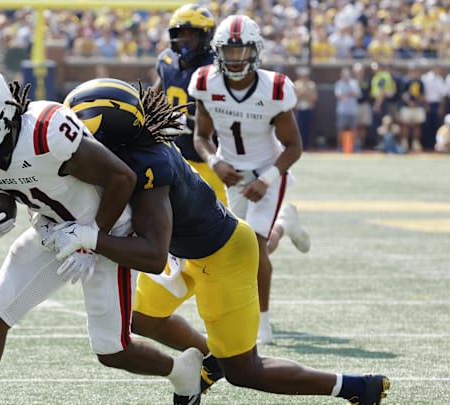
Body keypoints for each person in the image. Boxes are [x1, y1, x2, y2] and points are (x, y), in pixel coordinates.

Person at [56, 77, 391, 405]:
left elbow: (152, 256)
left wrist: (89, 237)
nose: (80, 146)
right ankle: (210, 363)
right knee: (139, 317)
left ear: (110, 132)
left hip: (222, 256)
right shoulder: (138, 147)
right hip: (185, 250)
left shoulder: (149, 167)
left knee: (245, 371)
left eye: (86, 137)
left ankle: (358, 387)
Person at [0, 67, 203, 405]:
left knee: (112, 350)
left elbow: (121, 179)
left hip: (108, 229)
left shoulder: (46, 133)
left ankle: (182, 371)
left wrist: (92, 238)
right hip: (53, 230)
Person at [189, 15, 310, 346]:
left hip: (270, 170)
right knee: (239, 248)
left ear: (255, 51)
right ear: (217, 52)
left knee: (254, 245)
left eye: (242, 50)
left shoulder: (274, 88)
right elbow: (200, 136)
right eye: (229, 51)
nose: (236, 58)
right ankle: (285, 222)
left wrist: (268, 179)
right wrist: (215, 162)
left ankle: (262, 323)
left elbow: (295, 147)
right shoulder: (204, 82)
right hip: (231, 172)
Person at [150, 3, 226, 205]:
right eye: (181, 33)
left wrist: (189, 122)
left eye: (193, 34)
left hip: (210, 157)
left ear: (207, 35)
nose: (186, 39)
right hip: (177, 155)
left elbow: (227, 116)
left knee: (228, 224)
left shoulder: (217, 67)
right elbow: (152, 100)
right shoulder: (166, 60)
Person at [398, 63, 426, 152]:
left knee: (417, 125)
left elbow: (422, 95)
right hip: (407, 106)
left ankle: (415, 142)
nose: (414, 72)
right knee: (405, 124)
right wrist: (410, 102)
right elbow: (403, 94)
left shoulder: (420, 82)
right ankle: (404, 142)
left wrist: (417, 102)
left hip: (417, 106)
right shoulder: (405, 80)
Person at [334, 67, 361, 152]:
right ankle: (340, 146)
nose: (346, 76)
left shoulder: (354, 83)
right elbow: (339, 95)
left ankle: (354, 146)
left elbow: (357, 93)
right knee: (340, 129)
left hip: (353, 110)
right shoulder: (338, 84)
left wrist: (348, 94)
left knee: (354, 129)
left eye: (347, 75)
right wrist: (350, 94)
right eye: (344, 75)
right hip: (342, 111)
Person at [293, 66, 318, 150]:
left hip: (308, 109)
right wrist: (302, 93)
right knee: (300, 128)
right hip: (299, 110)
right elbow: (294, 97)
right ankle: (300, 146)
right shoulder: (296, 84)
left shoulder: (311, 85)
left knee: (308, 128)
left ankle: (307, 146)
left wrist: (306, 92)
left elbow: (314, 98)